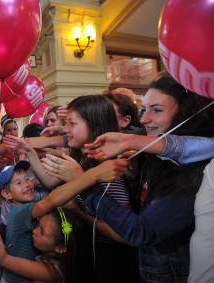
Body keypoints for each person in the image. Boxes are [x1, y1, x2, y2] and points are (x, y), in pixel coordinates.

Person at [81, 75, 214, 282]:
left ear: (186, 114)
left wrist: (85, 186)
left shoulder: (197, 169)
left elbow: (141, 231)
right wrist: (133, 174)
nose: (143, 119)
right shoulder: (154, 152)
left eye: (157, 110)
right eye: (144, 110)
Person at [0, 159, 129, 283]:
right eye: (18, 182)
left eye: (27, 179)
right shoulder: (18, 213)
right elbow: (52, 200)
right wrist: (93, 176)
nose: (27, 184)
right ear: (7, 194)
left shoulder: (26, 208)